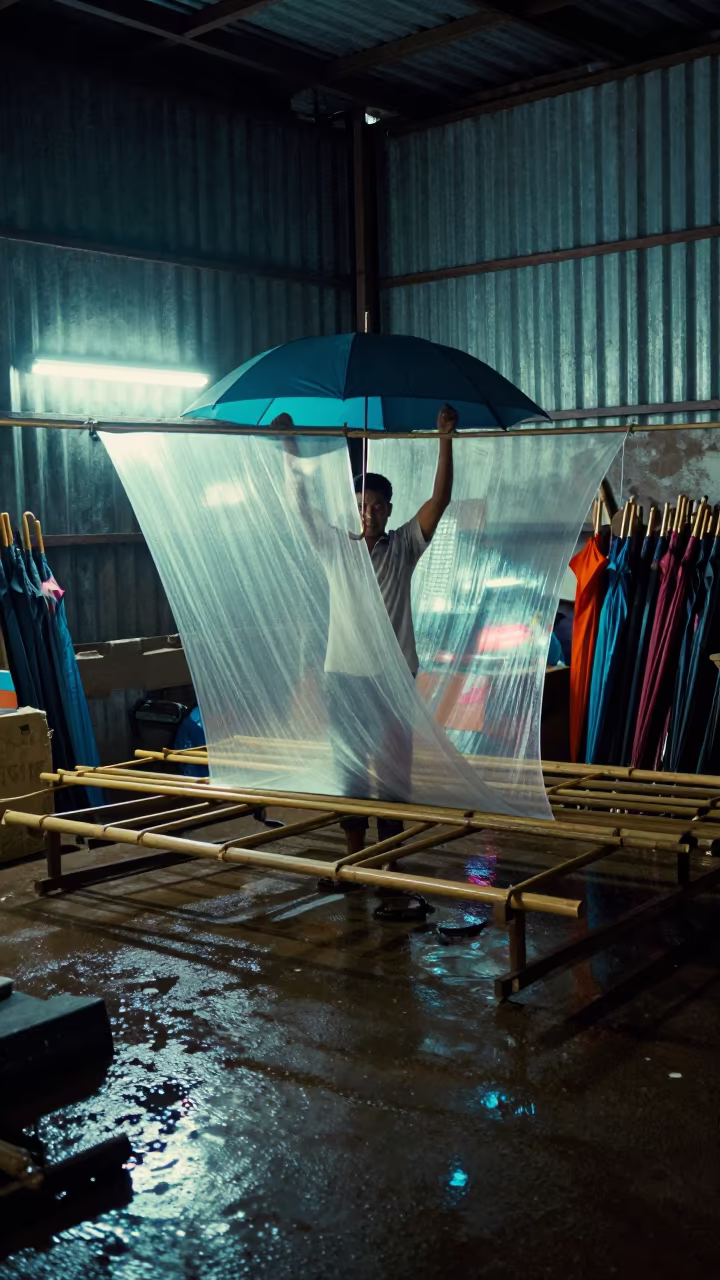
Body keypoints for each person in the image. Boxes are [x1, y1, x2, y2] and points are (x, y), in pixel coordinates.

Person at [281, 405, 457, 858]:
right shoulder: (337, 548)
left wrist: (444, 440)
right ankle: (356, 857)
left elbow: (439, 502)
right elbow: (299, 506)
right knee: (351, 769)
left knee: (396, 769)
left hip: (394, 675)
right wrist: (290, 447)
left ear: (389, 510)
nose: (369, 513)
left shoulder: (404, 547)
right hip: (344, 674)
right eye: (361, 506)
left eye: (377, 506)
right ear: (352, 509)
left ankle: (390, 859)